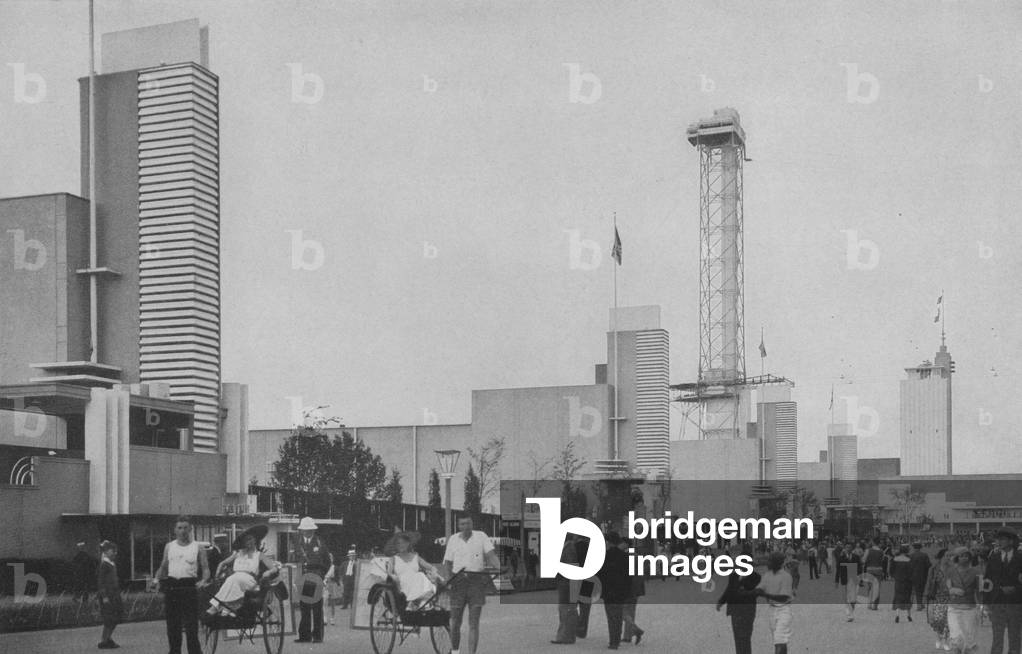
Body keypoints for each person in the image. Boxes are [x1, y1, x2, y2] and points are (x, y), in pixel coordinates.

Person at [443, 516, 500, 654]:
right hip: (458, 581)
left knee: (473, 623)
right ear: (458, 526)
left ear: (472, 523)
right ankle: (455, 651)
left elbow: (491, 555)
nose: (466, 526)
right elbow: (448, 562)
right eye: (462, 523)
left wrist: (499, 567)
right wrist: (448, 580)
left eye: (468, 523)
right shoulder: (453, 539)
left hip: (476, 582)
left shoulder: (481, 536)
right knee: (455, 622)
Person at [153, 515, 210, 654]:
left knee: (191, 626)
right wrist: (156, 580)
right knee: (173, 626)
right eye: (179, 528)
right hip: (172, 587)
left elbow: (206, 568)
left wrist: (203, 581)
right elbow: (163, 566)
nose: (182, 531)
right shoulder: (169, 546)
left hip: (189, 587)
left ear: (190, 529)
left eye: (185, 528)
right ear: (175, 530)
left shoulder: (198, 547)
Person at [205, 525, 280, 616]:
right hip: (236, 578)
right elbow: (223, 563)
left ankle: (217, 606)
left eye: (250, 539)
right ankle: (229, 607)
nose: (248, 542)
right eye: (246, 540)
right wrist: (217, 574)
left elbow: (274, 568)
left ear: (255, 540)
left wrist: (268, 572)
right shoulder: (238, 553)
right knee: (233, 579)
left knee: (233, 579)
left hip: (250, 581)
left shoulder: (259, 555)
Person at [293, 516, 332, 643]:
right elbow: (294, 560)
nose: (307, 531)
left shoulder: (320, 542)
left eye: (310, 529)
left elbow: (327, 561)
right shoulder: (297, 543)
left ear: (313, 530)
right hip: (303, 577)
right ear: (301, 530)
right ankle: (304, 636)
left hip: (316, 576)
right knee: (304, 607)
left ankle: (318, 636)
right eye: (305, 529)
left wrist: (321, 575)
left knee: (316, 607)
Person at [983, 528, 1022, 654]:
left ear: (1011, 541)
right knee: (997, 636)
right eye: (998, 539)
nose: (999, 542)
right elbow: (987, 580)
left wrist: (1015, 588)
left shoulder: (1020, 558)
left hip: (1016, 602)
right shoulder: (993, 557)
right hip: (997, 601)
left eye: (1003, 539)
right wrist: (986, 603)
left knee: (1014, 635)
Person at [717, 543, 761, 654]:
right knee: (737, 637)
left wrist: (743, 579)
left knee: (745, 636)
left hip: (747, 610)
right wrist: (721, 601)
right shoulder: (733, 575)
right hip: (735, 610)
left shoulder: (756, 577)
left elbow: (752, 591)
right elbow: (729, 589)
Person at [388, 531, 441, 609]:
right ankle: (423, 600)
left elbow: (431, 567)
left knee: (420, 575)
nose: (401, 545)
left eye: (403, 543)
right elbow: (389, 572)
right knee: (420, 576)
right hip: (403, 584)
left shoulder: (415, 556)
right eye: (398, 543)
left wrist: (434, 572)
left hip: (417, 582)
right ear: (396, 545)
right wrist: (393, 576)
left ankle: (420, 602)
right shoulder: (393, 558)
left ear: (408, 544)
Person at [596, 532, 630, 650]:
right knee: (618, 616)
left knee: (611, 617)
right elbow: (628, 576)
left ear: (608, 542)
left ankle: (613, 641)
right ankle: (616, 639)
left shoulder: (604, 556)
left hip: (609, 591)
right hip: (620, 591)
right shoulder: (625, 557)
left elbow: (599, 575)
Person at [756, 551, 794, 654]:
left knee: (779, 639)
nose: (768, 563)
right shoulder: (767, 575)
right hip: (772, 610)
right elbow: (759, 589)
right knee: (780, 641)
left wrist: (766, 595)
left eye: (770, 561)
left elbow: (783, 597)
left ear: (777, 562)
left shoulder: (786, 576)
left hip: (783, 610)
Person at [946, 546, 980, 654]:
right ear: (957, 558)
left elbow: (979, 590)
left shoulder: (975, 572)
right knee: (955, 637)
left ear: (970, 558)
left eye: (966, 556)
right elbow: (945, 587)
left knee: (968, 638)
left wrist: (981, 605)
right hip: (954, 608)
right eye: (961, 556)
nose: (964, 558)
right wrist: (952, 590)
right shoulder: (951, 571)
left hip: (969, 608)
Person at [551, 534, 579, 644]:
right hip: (569, 582)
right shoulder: (569, 547)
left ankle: (565, 636)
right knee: (569, 609)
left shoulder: (568, 548)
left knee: (565, 609)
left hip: (566, 583)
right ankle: (568, 635)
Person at [96, 540, 122, 650]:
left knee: (117, 616)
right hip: (108, 596)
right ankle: (104, 640)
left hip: (114, 595)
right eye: (112, 551)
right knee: (109, 618)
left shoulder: (111, 564)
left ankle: (108, 638)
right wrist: (104, 596)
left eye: (115, 551)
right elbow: (101, 582)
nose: (115, 553)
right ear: (106, 552)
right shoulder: (104, 565)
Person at [619, 538, 645, 645]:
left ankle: (635, 629)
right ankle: (628, 636)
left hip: (628, 588)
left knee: (621, 611)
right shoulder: (636, 556)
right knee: (631, 611)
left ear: (625, 544)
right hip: (637, 588)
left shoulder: (626, 557)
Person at [925, 548, 952, 651]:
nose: (948, 558)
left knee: (948, 620)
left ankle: (945, 640)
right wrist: (927, 595)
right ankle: (938, 638)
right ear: (941, 557)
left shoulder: (952, 568)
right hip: (937, 597)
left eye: (950, 556)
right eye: (947, 556)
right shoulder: (933, 569)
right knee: (938, 619)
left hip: (949, 597)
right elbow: (928, 582)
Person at [835, 541, 862, 622]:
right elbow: (838, 570)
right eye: (847, 547)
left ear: (852, 548)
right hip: (845, 579)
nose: (848, 549)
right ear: (845, 548)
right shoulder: (841, 558)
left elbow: (860, 568)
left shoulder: (856, 557)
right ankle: (849, 615)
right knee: (847, 598)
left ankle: (851, 611)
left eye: (850, 547)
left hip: (854, 579)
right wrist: (836, 580)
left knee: (853, 599)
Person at [891, 544, 914, 623]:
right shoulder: (909, 560)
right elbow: (911, 572)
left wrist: (894, 576)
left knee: (897, 597)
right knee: (907, 597)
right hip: (907, 582)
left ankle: (897, 615)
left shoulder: (895, 559)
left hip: (898, 581)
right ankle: (909, 615)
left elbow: (891, 570)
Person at [863, 538, 885, 610]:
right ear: (879, 543)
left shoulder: (868, 550)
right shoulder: (882, 551)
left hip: (870, 570)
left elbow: (864, 560)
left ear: (872, 542)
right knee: (877, 588)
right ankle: (875, 605)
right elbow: (882, 560)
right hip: (878, 570)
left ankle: (869, 604)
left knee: (870, 587)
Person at [910, 541, 932, 611]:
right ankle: (919, 605)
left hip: (912, 575)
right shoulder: (924, 555)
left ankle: (909, 604)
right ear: (920, 548)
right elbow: (929, 565)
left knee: (912, 590)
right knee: (920, 590)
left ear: (914, 548)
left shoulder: (911, 556)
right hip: (922, 575)